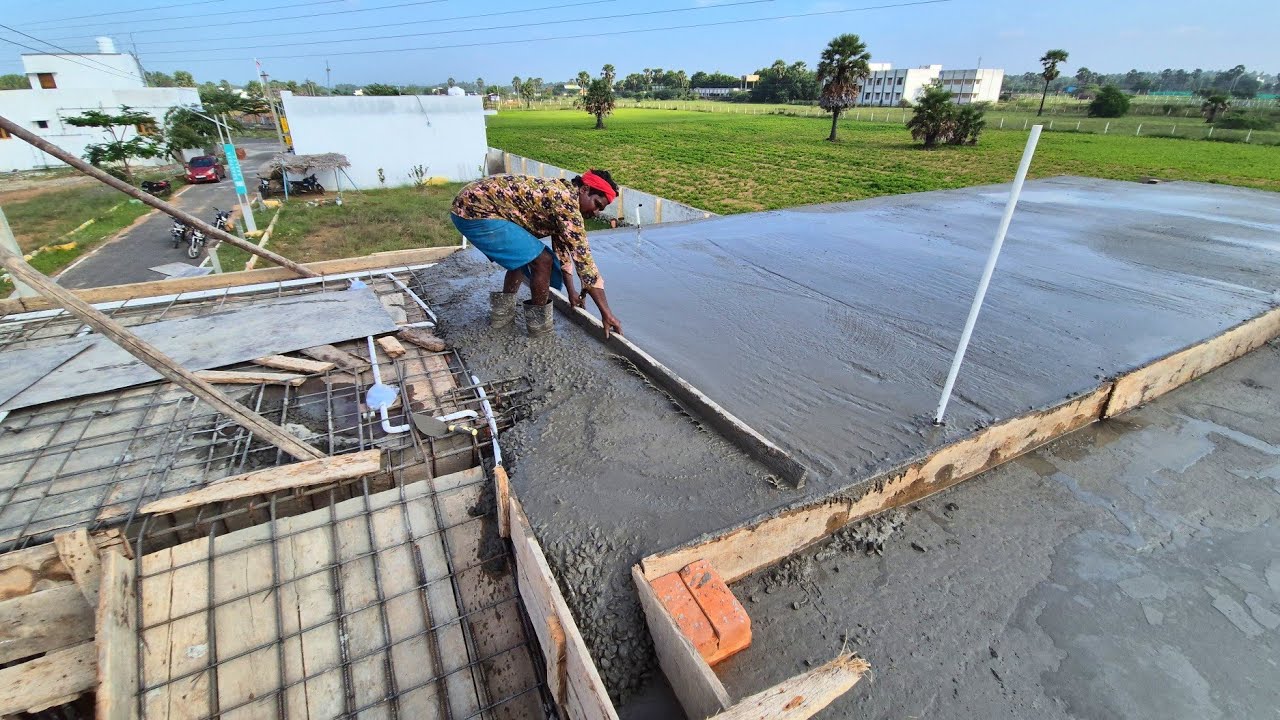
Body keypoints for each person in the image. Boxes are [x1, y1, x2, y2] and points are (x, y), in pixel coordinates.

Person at [449, 170, 623, 338]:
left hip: (470, 206)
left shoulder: (565, 196)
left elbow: (562, 249)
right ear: (584, 189)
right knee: (543, 261)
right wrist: (607, 314)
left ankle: (501, 316)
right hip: (474, 211)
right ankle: (539, 329)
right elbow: (585, 264)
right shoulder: (566, 203)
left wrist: (572, 292)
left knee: (525, 254)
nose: (596, 212)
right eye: (597, 204)